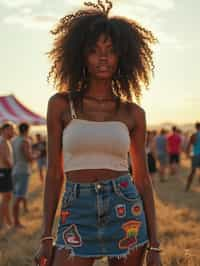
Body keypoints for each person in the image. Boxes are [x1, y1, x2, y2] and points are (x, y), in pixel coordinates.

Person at [34, 1, 162, 266]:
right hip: (77, 209)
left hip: (124, 206)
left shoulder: (133, 113)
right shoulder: (60, 105)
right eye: (94, 51)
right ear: (81, 55)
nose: (103, 58)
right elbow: (55, 174)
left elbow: (142, 180)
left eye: (111, 51)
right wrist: (46, 236)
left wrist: (156, 246)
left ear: (122, 56)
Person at [12, 122, 35, 228]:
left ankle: (17, 218)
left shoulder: (13, 140)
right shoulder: (25, 141)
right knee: (19, 197)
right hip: (23, 170)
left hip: (15, 170)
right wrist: (37, 155)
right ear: (27, 130)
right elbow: (28, 157)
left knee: (18, 195)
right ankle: (16, 222)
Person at [0, 122, 14, 228]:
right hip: (4, 171)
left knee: (7, 197)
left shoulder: (5, 141)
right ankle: (3, 222)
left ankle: (8, 221)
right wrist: (12, 167)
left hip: (4, 171)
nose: (12, 132)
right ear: (4, 130)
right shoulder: (3, 141)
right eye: (10, 129)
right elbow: (5, 158)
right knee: (6, 197)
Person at [185, 122, 200, 191]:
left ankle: (187, 187)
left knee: (192, 172)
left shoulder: (194, 135)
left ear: (196, 127)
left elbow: (189, 145)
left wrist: (187, 154)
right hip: (196, 155)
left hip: (195, 155)